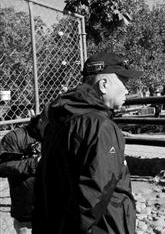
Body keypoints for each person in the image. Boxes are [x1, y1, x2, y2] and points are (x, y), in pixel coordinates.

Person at [32, 52, 142, 234]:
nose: (127, 90)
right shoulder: (100, 126)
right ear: (104, 84)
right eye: (124, 82)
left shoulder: (60, 117)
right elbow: (95, 193)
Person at [0, 111, 48, 234]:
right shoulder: (15, 137)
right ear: (41, 121)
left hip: (52, 208)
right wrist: (34, 163)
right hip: (26, 211)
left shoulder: (59, 134)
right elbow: (2, 166)